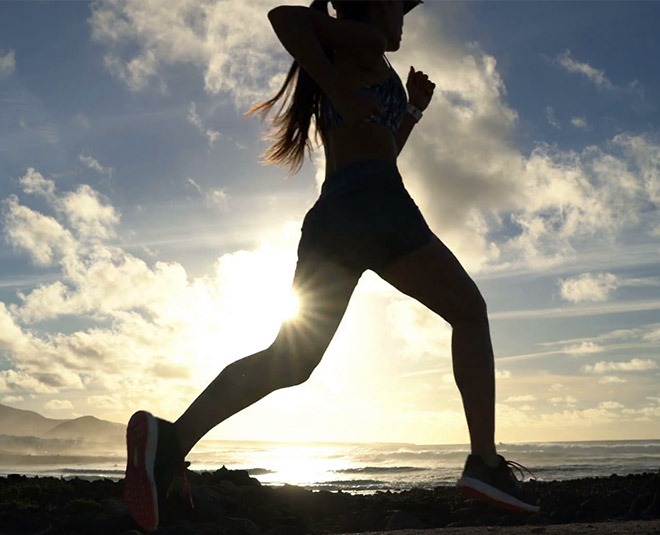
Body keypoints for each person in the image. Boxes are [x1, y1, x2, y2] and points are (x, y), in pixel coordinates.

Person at [123, 1, 540, 531]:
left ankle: (171, 441)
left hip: (337, 216)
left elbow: (376, 146)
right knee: (470, 312)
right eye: (400, 6)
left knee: (289, 362)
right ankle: (484, 464)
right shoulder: (359, 41)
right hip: (376, 206)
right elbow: (284, 18)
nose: (406, 18)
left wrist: (409, 111)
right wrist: (340, 88)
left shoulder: (360, 52)